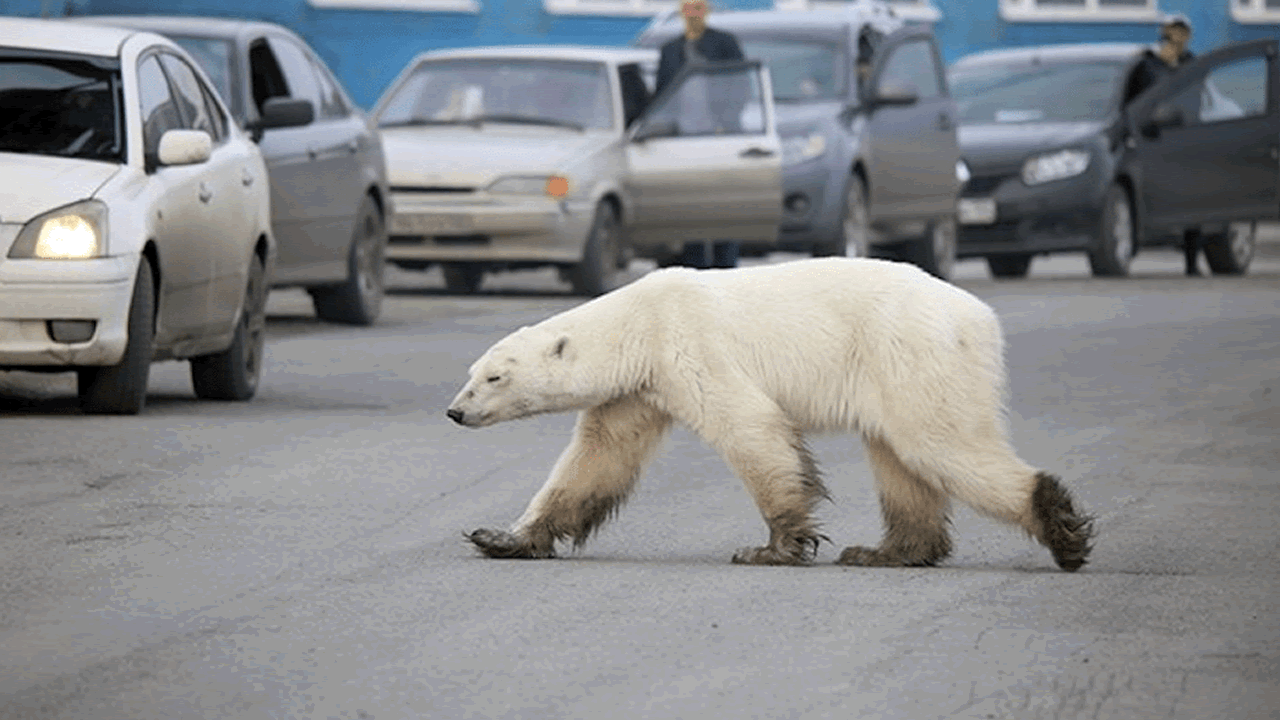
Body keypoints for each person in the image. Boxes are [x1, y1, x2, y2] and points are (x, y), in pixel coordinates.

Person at [656, 0, 745, 269]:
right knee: (690, 208)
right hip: (684, 139)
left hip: (720, 137)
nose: (693, 13)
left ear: (706, 10)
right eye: (688, 8)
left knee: (725, 206)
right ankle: (694, 266)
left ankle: (726, 266)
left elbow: (740, 86)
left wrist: (725, 122)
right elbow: (662, 95)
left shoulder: (725, 44)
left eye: (698, 7)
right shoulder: (671, 50)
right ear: (681, 11)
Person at [1124, 14, 1203, 276]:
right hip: (1154, 141)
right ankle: (1128, 254)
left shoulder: (1192, 64)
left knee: (1192, 202)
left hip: (1186, 140)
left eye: (1183, 32)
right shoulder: (1147, 65)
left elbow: (1197, 98)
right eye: (1173, 31)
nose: (1178, 38)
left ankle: (1191, 261)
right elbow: (1133, 103)